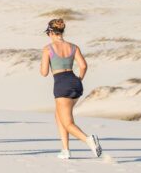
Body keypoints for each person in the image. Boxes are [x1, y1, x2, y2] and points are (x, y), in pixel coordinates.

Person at [39, 18, 102, 159]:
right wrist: (79, 79)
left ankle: (89, 140)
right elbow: (84, 66)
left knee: (68, 123)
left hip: (62, 85)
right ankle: (65, 150)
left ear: (50, 32)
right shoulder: (74, 47)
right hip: (75, 82)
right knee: (59, 116)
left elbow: (44, 73)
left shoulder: (48, 48)